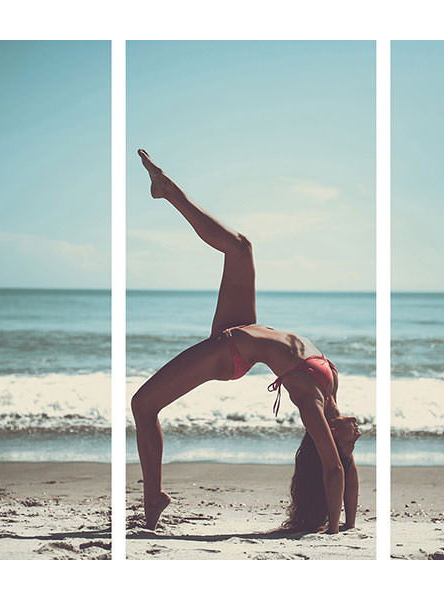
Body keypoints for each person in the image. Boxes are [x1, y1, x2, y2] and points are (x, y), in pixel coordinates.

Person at [131, 149, 361, 534]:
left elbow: (335, 468)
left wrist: (336, 530)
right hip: (243, 329)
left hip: (230, 352)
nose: (357, 430)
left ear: (331, 436)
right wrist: (352, 521)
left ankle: (153, 496)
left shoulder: (312, 404)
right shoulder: (330, 382)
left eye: (351, 439)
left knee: (142, 405)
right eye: (354, 436)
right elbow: (345, 466)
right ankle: (167, 190)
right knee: (241, 247)